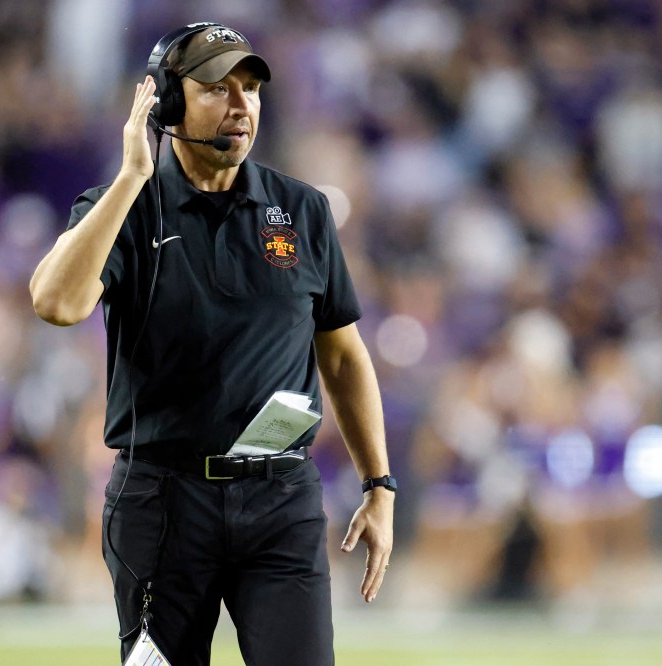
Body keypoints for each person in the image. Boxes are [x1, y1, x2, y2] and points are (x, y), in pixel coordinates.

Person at [29, 22, 394, 666]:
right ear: (166, 103)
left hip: (280, 498)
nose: (241, 104)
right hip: (162, 502)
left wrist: (379, 484)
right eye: (216, 88)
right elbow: (57, 303)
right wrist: (128, 180)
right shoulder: (124, 209)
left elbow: (342, 354)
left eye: (250, 88)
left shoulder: (302, 210)